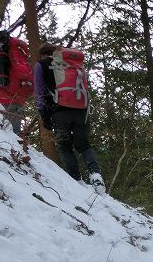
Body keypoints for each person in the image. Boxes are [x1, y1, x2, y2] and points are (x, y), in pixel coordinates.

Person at [34, 43, 105, 193]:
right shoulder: (73, 64)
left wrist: (43, 114)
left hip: (59, 112)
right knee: (84, 145)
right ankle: (96, 175)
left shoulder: (41, 65)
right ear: (55, 52)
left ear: (41, 54)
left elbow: (39, 91)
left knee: (65, 147)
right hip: (81, 109)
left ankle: (76, 180)